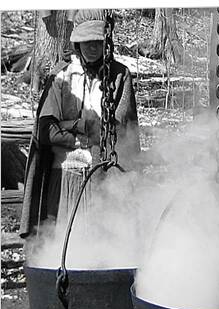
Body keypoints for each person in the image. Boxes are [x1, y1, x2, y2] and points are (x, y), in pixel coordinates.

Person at [19, 9, 140, 238]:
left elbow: (118, 131)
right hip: (63, 178)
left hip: (103, 182)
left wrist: (65, 125)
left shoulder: (118, 76)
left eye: (97, 41)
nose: (92, 47)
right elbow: (46, 132)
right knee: (63, 248)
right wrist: (81, 127)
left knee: (100, 251)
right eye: (87, 41)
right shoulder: (62, 76)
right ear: (77, 42)